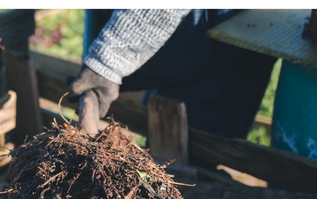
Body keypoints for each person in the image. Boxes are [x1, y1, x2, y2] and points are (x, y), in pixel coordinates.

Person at [67, 9, 276, 152]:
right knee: (161, 144)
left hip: (225, 31)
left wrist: (107, 62)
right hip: (165, 37)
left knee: (197, 154)